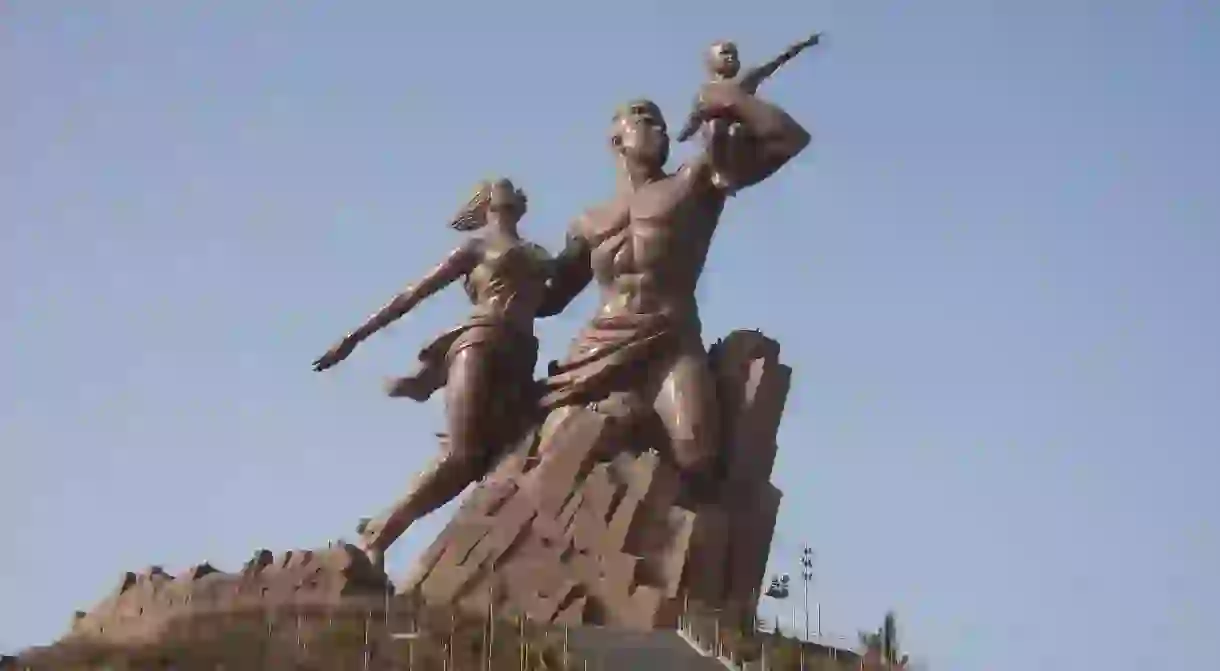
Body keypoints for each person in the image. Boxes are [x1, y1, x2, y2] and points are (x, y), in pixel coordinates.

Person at [537, 81, 811, 498]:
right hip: (600, 343)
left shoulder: (693, 181)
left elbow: (788, 139)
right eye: (645, 120)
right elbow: (552, 298)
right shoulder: (588, 222)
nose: (659, 131)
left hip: (669, 337)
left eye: (664, 125)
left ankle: (633, 421)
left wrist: (732, 99)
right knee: (556, 444)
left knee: (697, 455)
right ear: (616, 137)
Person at [311, 178, 551, 566]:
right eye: (503, 186)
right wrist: (353, 338)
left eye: (516, 187)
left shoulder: (540, 255)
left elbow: (567, 287)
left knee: (480, 461)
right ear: (488, 203)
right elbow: (412, 294)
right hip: (480, 343)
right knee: (462, 453)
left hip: (522, 355)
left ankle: (385, 527)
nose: (515, 189)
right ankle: (381, 534)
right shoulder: (476, 247)